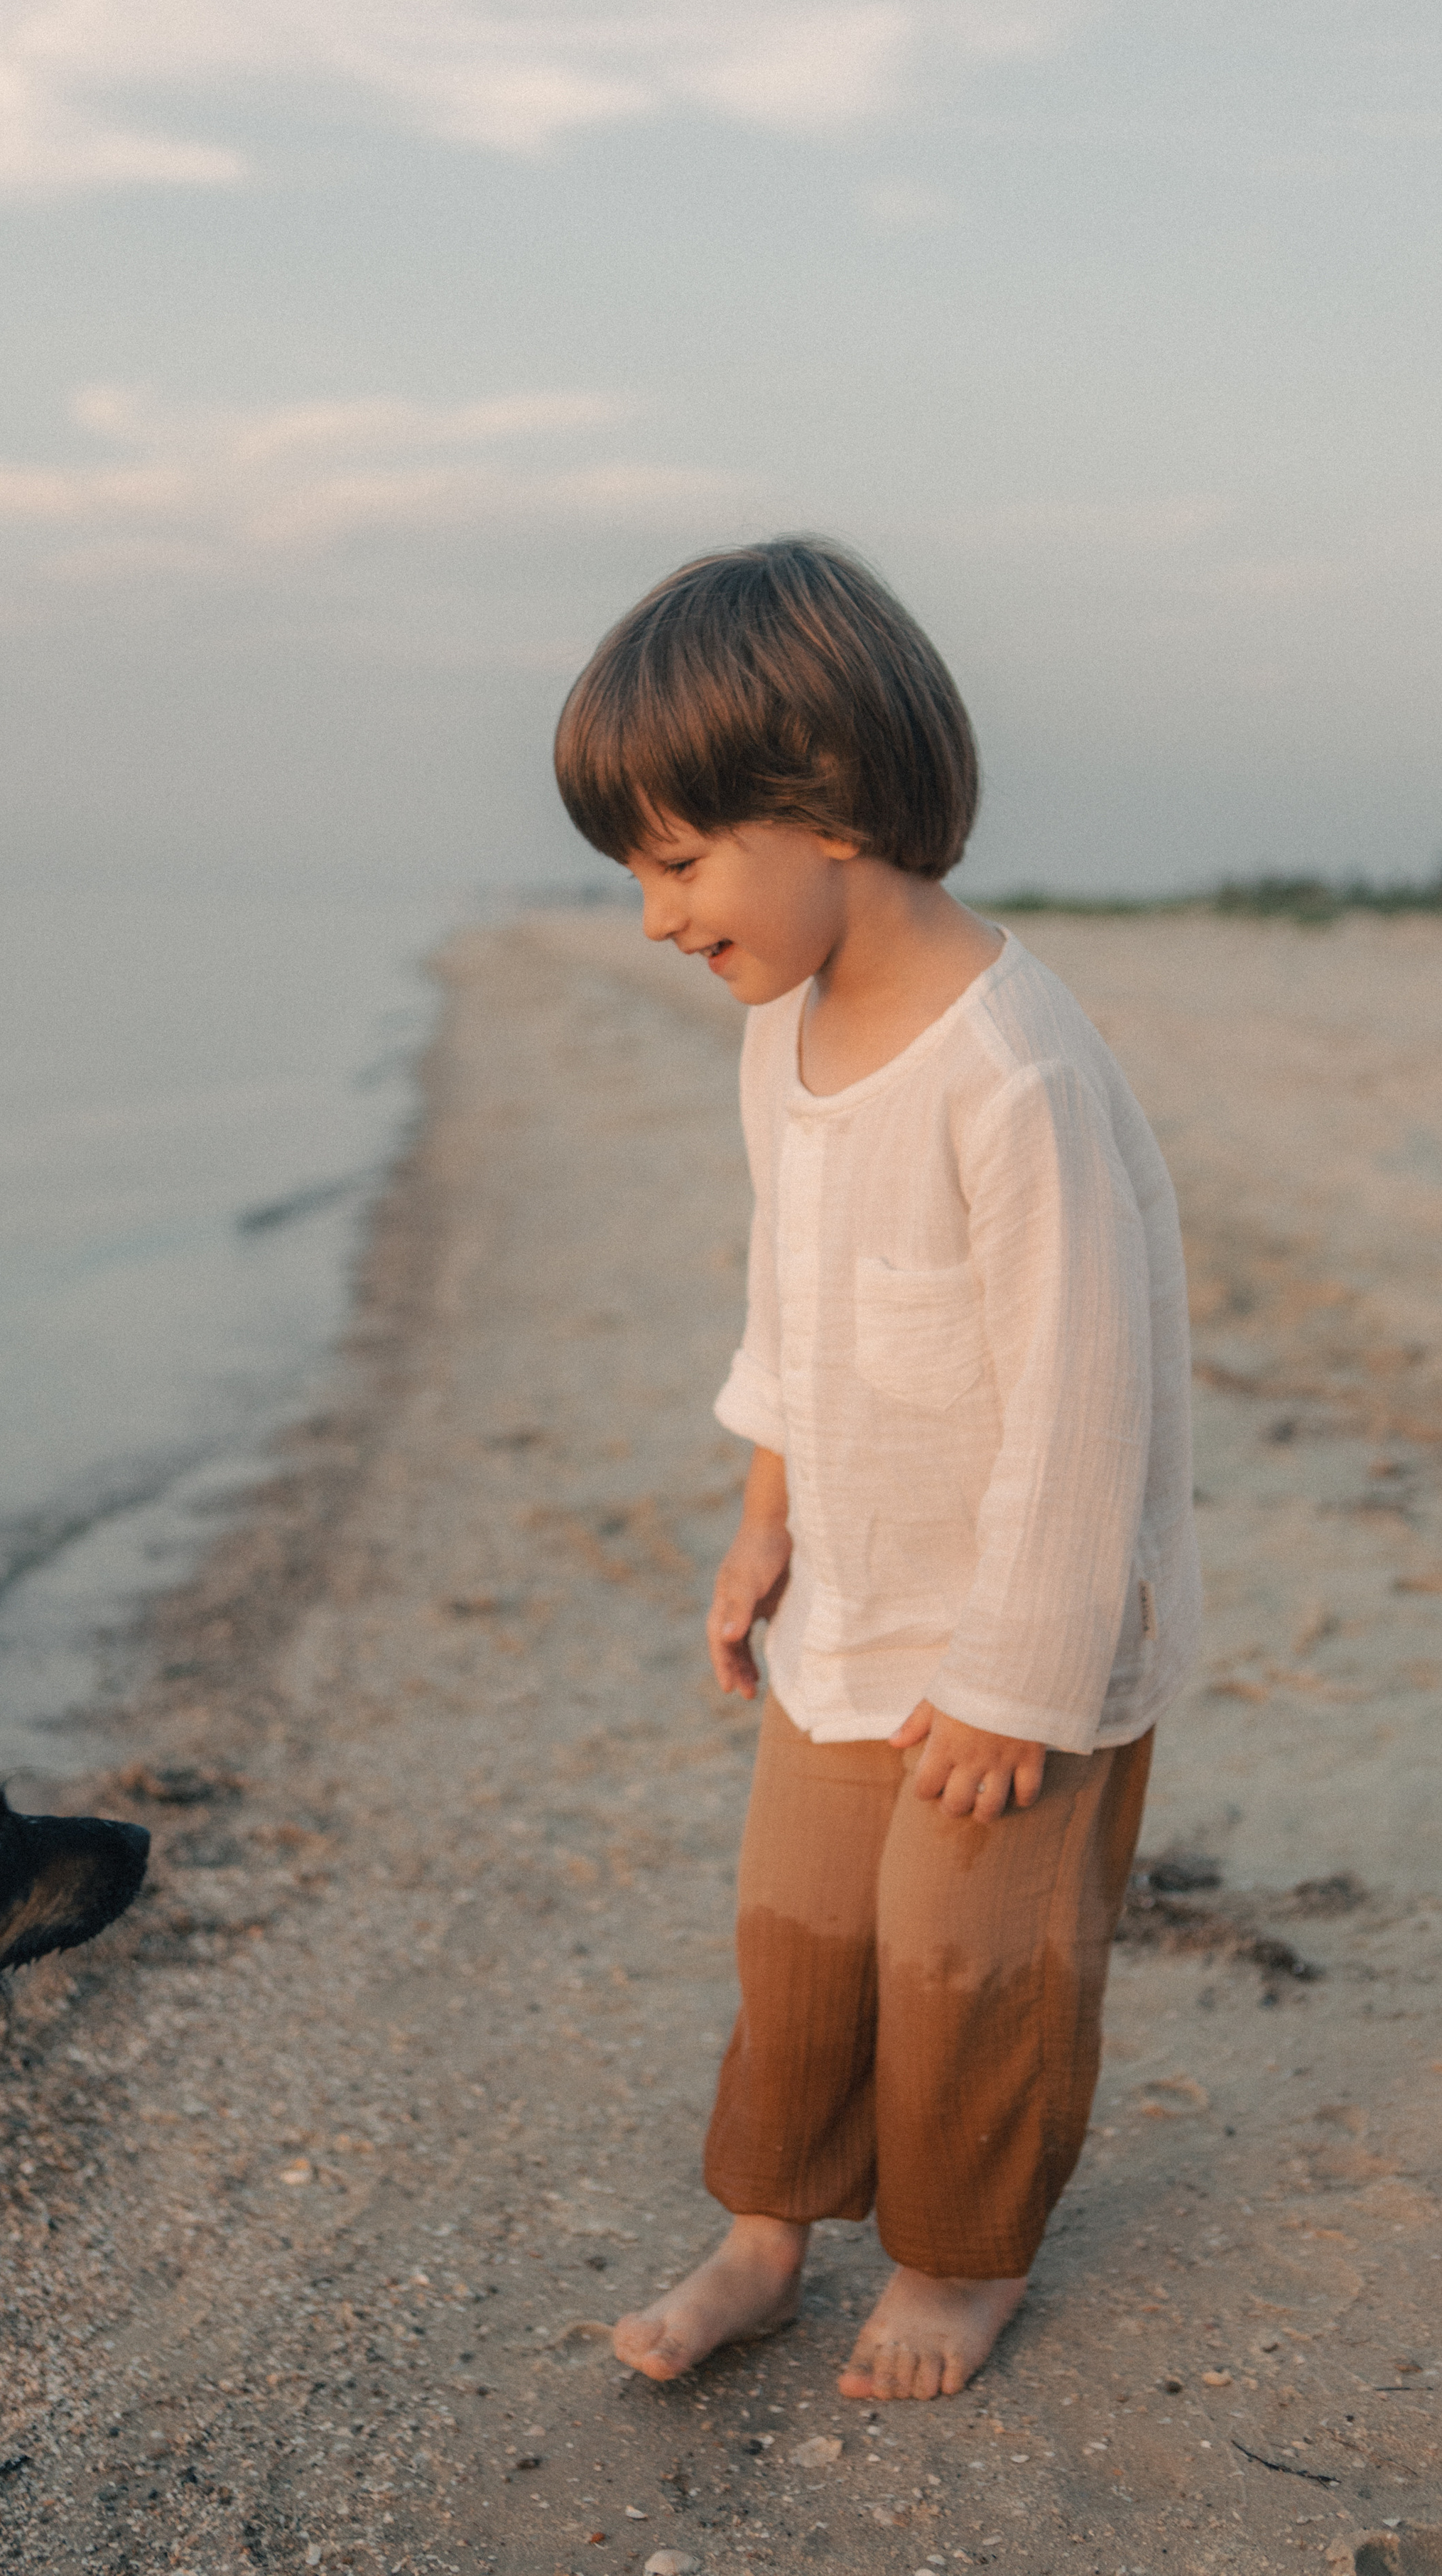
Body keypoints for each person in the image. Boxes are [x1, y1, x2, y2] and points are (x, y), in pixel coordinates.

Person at [552, 536, 1199, 2402]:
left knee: (966, 1960)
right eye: (634, 874)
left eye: (674, 861)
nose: (655, 916)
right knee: (812, 1935)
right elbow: (797, 1293)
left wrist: (1017, 1688)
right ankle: (768, 2236)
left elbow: (1095, 1404)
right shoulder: (787, 1030)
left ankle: (958, 2259)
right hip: (855, 1589)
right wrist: (765, 1518)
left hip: (1026, 1636)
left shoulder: (1017, 1071)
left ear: (822, 804)